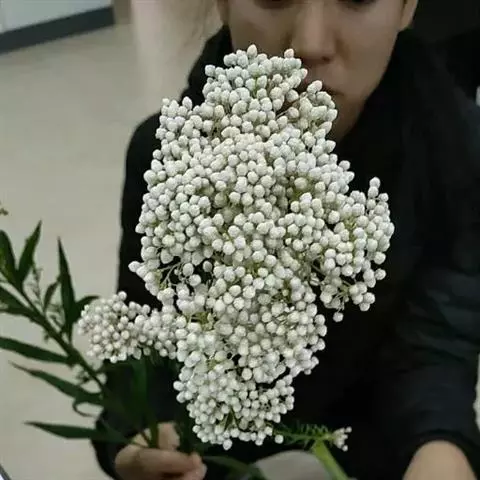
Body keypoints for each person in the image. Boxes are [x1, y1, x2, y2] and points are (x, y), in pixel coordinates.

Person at [93, 1, 480, 479]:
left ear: (407, 7)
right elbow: (144, 353)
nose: (310, 44)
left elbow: (434, 349)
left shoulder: (454, 154)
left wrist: (440, 449)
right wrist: (140, 440)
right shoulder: (167, 162)